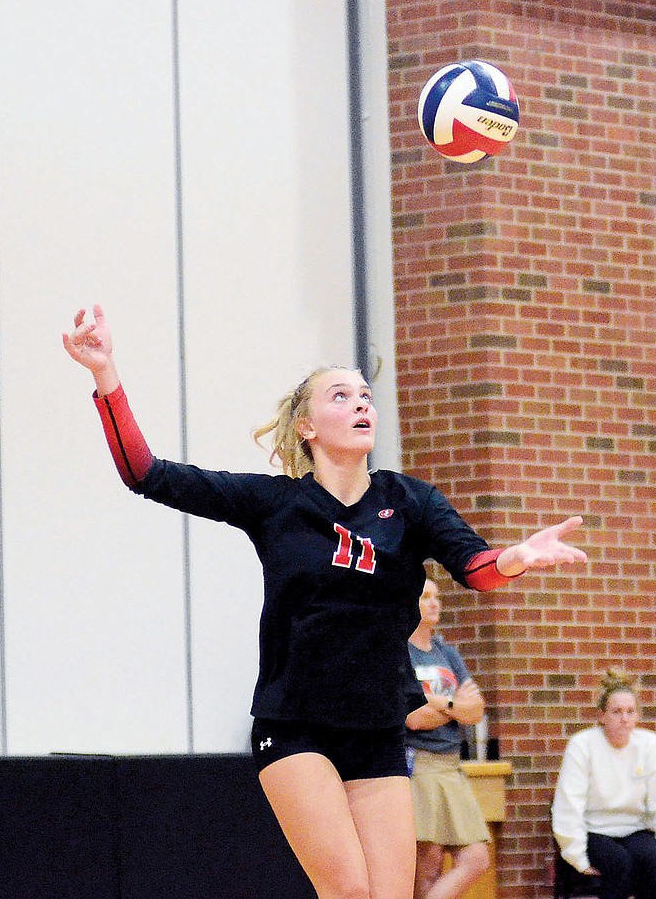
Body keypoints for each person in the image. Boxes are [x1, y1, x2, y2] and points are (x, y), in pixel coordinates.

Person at [63, 304, 588, 899]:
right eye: (340, 396)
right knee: (348, 892)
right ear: (307, 427)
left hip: (378, 727)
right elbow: (146, 473)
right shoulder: (274, 503)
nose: (362, 403)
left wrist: (517, 557)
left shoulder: (411, 502)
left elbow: (475, 566)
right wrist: (105, 374)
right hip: (295, 726)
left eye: (366, 395)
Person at [551, 667, 656, 899]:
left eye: (630, 712)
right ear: (601, 715)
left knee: (652, 859)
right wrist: (578, 859)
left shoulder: (651, 745)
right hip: (595, 830)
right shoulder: (582, 745)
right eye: (616, 711)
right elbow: (568, 807)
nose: (624, 719)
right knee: (619, 863)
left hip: (635, 828)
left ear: (637, 716)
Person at [405, 577, 490, 899]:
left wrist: (442, 704)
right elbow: (413, 718)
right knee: (427, 867)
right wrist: (457, 706)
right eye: (425, 596)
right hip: (420, 765)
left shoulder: (447, 653)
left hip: (452, 767)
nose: (434, 603)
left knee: (476, 858)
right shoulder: (402, 653)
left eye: (436, 597)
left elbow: (476, 710)